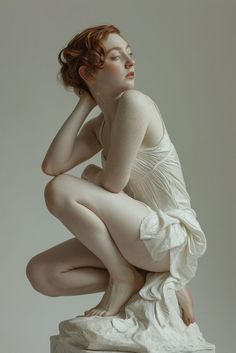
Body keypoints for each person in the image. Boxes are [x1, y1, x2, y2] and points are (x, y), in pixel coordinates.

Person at [25, 24, 203, 327]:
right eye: (117, 57)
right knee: (42, 273)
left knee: (60, 190)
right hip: (135, 235)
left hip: (168, 234)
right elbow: (52, 165)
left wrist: (91, 172)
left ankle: (123, 277)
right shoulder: (101, 125)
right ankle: (145, 279)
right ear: (88, 73)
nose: (131, 63)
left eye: (129, 55)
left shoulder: (135, 104)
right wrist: (85, 102)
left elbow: (112, 183)